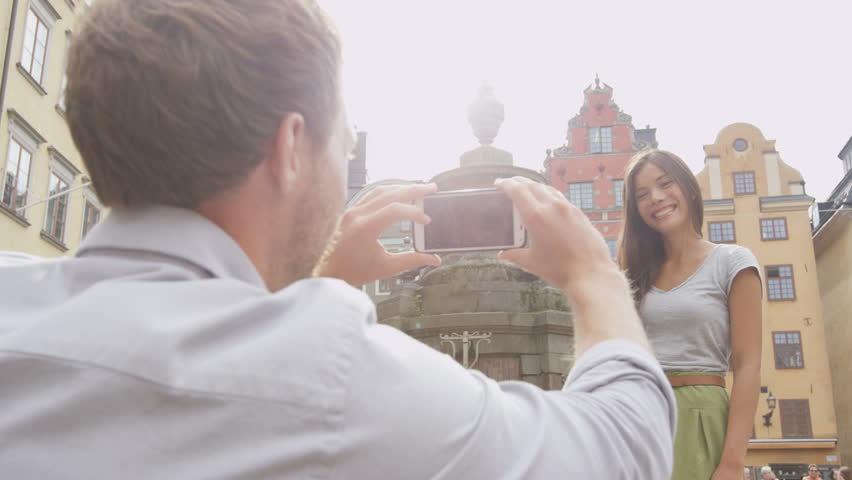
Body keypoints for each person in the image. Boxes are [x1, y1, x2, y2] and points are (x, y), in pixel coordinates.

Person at [0, 1, 677, 478]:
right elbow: (625, 450)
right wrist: (596, 277)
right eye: (341, 138)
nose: (345, 152)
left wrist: (316, 285)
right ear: (291, 146)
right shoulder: (337, 376)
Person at [618, 150, 763, 480]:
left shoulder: (732, 261)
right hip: (638, 418)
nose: (655, 198)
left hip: (702, 417)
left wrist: (732, 463)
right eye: (642, 195)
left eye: (665, 184)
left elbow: (748, 365)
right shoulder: (633, 275)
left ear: (689, 188)